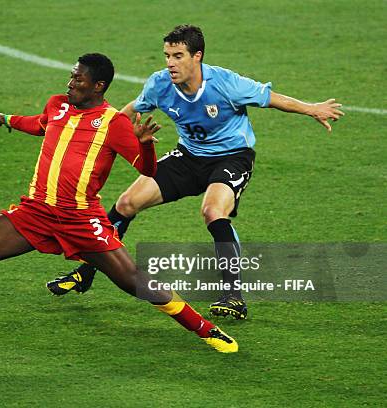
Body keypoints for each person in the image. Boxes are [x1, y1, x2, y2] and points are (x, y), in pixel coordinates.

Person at [0, 53, 238, 355]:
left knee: (134, 282)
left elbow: (147, 169)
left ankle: (207, 330)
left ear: (99, 86)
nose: (70, 83)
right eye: (71, 76)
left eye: (78, 79)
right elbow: (42, 123)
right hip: (35, 213)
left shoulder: (113, 123)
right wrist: (10, 120)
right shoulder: (58, 106)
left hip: (80, 219)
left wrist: (143, 142)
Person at [46, 26, 345, 320]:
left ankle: (233, 295)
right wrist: (99, 130)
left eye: (178, 56)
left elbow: (271, 99)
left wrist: (312, 109)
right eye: (167, 55)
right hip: (188, 157)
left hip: (232, 157)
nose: (170, 63)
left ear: (197, 56)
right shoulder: (159, 84)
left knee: (213, 211)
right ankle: (86, 271)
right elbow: (129, 109)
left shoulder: (225, 83)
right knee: (126, 203)